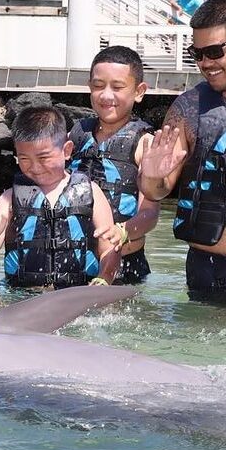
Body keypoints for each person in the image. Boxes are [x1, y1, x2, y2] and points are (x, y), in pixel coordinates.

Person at [138, 0, 226, 296]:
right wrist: (152, 177)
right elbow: (156, 191)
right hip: (205, 273)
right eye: (196, 53)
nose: (205, 63)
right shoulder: (187, 108)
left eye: (214, 51)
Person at [0, 106, 120, 289]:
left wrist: (103, 279)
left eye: (43, 158)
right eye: (24, 159)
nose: (35, 167)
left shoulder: (91, 192)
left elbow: (110, 249)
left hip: (78, 293)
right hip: (22, 294)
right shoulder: (9, 198)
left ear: (67, 150)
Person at [68, 46, 160, 284]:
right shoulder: (75, 137)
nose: (106, 95)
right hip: (75, 262)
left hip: (125, 267)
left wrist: (123, 231)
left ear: (139, 91)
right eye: (98, 86)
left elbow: (150, 214)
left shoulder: (145, 144)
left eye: (117, 87)